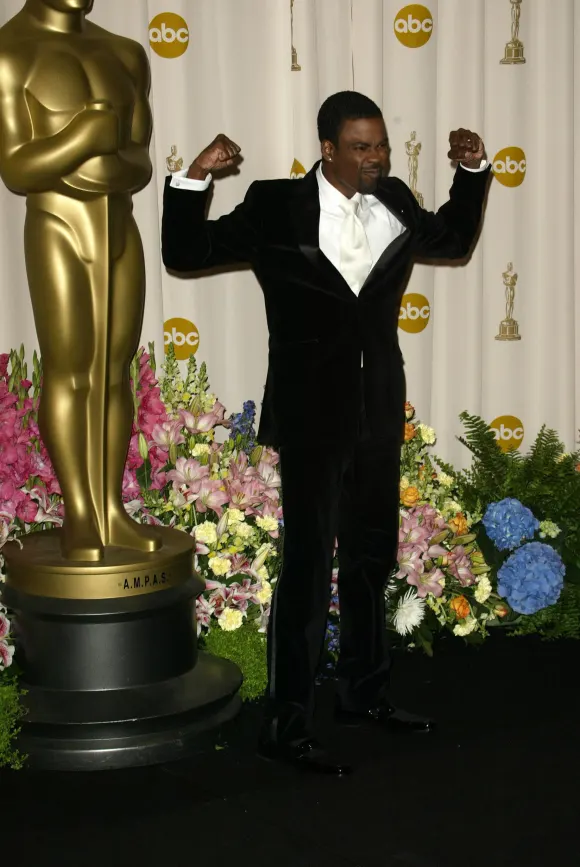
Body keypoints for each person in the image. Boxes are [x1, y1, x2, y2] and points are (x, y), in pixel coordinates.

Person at [162, 91, 491, 775]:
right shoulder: (275, 204)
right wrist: (194, 178)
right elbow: (187, 252)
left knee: (371, 556)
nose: (378, 158)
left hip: (378, 406)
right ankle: (285, 724)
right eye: (363, 147)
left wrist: (471, 172)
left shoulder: (394, 198)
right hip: (310, 412)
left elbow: (454, 240)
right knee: (309, 568)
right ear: (328, 150)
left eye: (382, 145)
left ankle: (363, 694)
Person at [0, 0, 161, 561]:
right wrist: (84, 140)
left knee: (115, 370)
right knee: (70, 370)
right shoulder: (10, 53)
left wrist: (99, 157)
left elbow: (140, 162)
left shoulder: (125, 53)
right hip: (57, 223)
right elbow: (16, 167)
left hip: (120, 225)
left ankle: (110, 508)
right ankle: (81, 514)